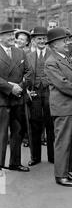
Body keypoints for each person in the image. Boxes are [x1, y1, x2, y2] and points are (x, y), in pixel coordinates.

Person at [44, 27, 72, 187]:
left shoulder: (65, 58)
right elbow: (62, 83)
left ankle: (67, 171)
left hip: (71, 106)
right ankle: (60, 175)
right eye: (63, 41)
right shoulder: (51, 62)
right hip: (63, 108)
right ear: (54, 44)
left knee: (71, 140)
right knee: (62, 141)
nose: (67, 43)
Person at [0, 23, 31, 172]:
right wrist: (10, 87)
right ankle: (0, 165)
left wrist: (20, 86)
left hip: (18, 98)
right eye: (8, 35)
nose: (12, 37)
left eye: (12, 34)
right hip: (2, 99)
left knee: (17, 132)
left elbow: (29, 73)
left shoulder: (20, 52)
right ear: (0, 37)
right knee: (1, 134)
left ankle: (15, 163)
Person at [25, 26, 54, 166]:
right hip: (35, 92)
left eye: (44, 38)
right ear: (34, 40)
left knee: (51, 124)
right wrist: (26, 90)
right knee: (35, 124)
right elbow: (24, 74)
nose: (42, 41)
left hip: (50, 91)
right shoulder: (28, 56)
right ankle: (35, 157)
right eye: (39, 39)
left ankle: (52, 156)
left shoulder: (52, 54)